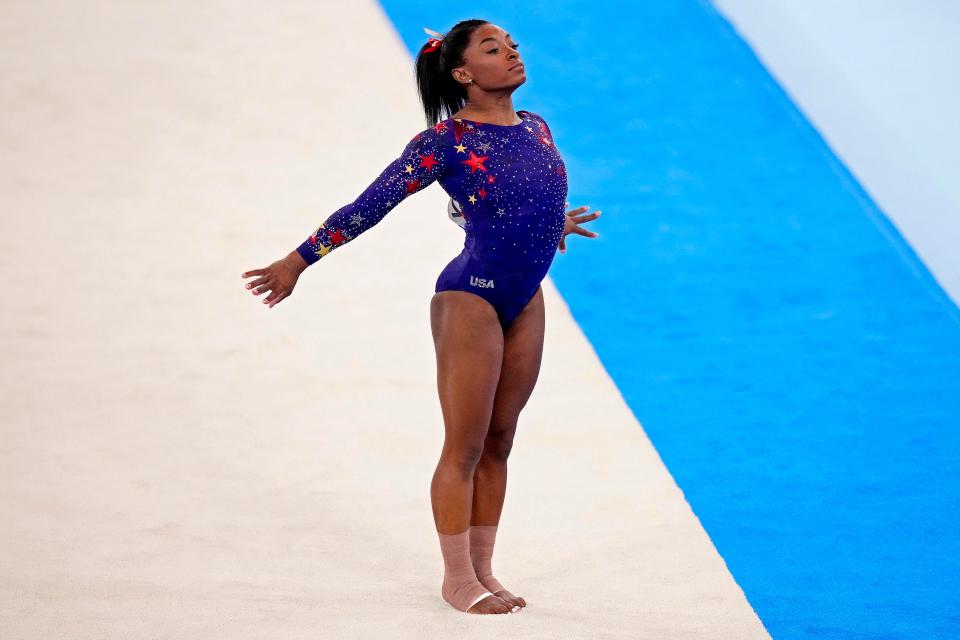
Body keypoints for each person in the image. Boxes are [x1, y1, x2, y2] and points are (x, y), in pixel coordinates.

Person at [241, 19, 600, 615]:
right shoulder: (444, 143)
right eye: (492, 48)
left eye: (510, 44)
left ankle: (485, 568)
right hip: (471, 300)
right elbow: (368, 206)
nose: (510, 52)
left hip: (525, 296)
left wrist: (546, 228)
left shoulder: (536, 127)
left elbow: (506, 201)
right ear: (463, 74)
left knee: (500, 439)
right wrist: (296, 262)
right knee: (463, 444)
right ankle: (457, 580)